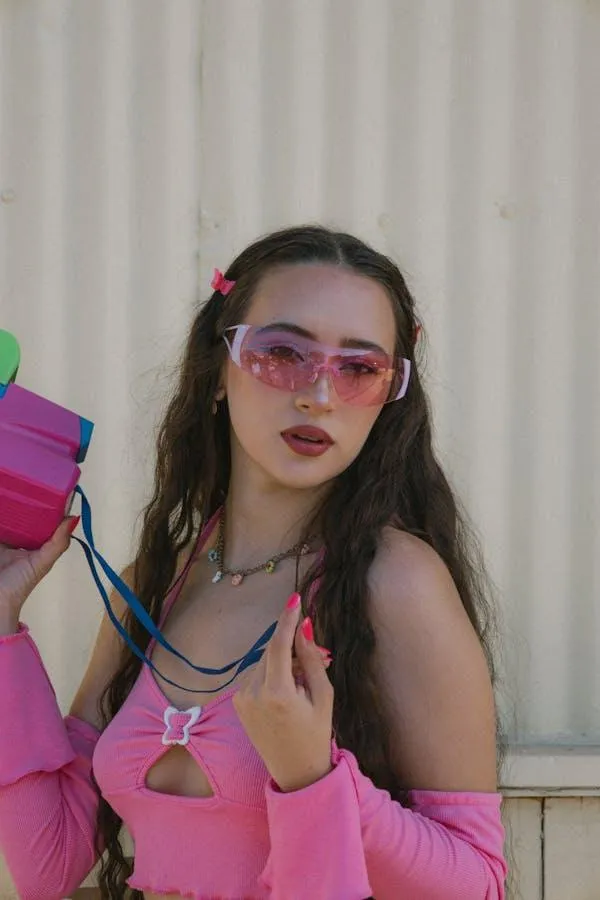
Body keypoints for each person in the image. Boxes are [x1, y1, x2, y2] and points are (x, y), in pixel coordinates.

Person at [0, 225, 507, 899]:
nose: (318, 395)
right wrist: (2, 627)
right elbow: (48, 864)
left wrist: (313, 777)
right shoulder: (154, 586)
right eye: (282, 353)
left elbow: (478, 884)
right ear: (218, 374)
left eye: (359, 369)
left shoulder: (395, 582)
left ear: (391, 399)